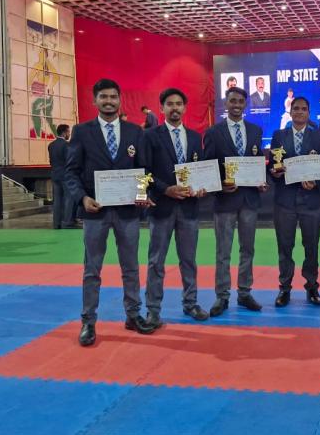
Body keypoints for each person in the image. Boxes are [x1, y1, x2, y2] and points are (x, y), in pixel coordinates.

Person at [66, 79, 156, 347]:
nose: (108, 101)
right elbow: (70, 172)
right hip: (96, 211)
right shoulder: (82, 132)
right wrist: (82, 198)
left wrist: (142, 192)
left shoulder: (135, 132)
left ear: (120, 100)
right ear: (94, 100)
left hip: (127, 212)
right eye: (103, 97)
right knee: (92, 269)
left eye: (113, 97)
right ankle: (88, 321)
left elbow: (144, 169)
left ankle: (133, 314)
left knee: (131, 267)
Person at [141, 88, 209, 323]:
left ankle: (190, 303)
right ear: (161, 108)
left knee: (189, 260)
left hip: (189, 208)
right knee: (156, 261)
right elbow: (144, 171)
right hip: (161, 207)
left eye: (179, 104)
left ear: (185, 108)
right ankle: (153, 309)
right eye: (169, 104)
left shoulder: (194, 137)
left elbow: (199, 169)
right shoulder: (150, 136)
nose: (175, 108)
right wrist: (165, 189)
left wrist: (201, 187)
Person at [203, 86, 268, 317]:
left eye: (241, 101)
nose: (237, 105)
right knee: (223, 251)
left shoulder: (255, 130)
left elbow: (256, 160)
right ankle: (222, 296)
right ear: (226, 103)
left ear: (245, 104)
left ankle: (244, 292)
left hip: (249, 199)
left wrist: (260, 180)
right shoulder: (213, 132)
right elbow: (208, 165)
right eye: (233, 101)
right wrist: (220, 185)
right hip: (225, 200)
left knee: (247, 249)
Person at [269, 97, 320, 307]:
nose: (299, 112)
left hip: (311, 201)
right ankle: (284, 288)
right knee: (285, 247)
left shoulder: (318, 137)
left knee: (311, 246)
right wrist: (275, 173)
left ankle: (312, 286)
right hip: (285, 201)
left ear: (309, 113)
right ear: (291, 111)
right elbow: (273, 167)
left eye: (304, 109)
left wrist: (316, 182)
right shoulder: (278, 136)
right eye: (296, 108)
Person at [48, 124, 77, 229]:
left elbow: (51, 161)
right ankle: (67, 222)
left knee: (57, 199)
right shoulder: (67, 145)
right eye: (68, 132)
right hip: (66, 175)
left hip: (55, 174)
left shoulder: (51, 145)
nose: (69, 134)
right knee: (68, 199)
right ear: (64, 133)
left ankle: (56, 223)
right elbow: (70, 162)